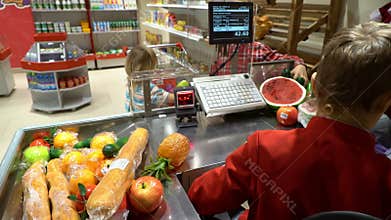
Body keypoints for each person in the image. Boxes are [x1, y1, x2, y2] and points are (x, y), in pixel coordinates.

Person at [188, 21, 391, 219]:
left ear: (314, 85)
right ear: (385, 103)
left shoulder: (265, 147)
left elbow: (201, 197)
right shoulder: (385, 177)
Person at [211, 42, 309, 84]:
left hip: (249, 99)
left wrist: (299, 65)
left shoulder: (257, 48)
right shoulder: (219, 48)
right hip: (222, 95)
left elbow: (285, 59)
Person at [125, 46, 174, 112]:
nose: (155, 70)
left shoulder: (130, 83)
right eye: (154, 66)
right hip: (150, 119)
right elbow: (171, 98)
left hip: (137, 117)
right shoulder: (148, 88)